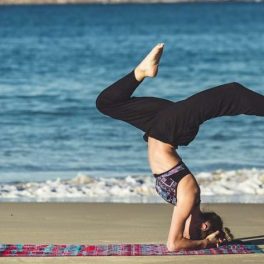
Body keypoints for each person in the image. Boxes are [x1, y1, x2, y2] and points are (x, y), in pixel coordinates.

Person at [96, 43, 264, 251]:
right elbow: (176, 244)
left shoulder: (182, 202)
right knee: (232, 93)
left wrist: (205, 240)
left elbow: (173, 244)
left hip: (160, 126)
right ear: (203, 225)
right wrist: (208, 242)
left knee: (106, 103)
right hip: (169, 130)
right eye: (192, 235)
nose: (186, 236)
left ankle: (141, 72)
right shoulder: (190, 195)